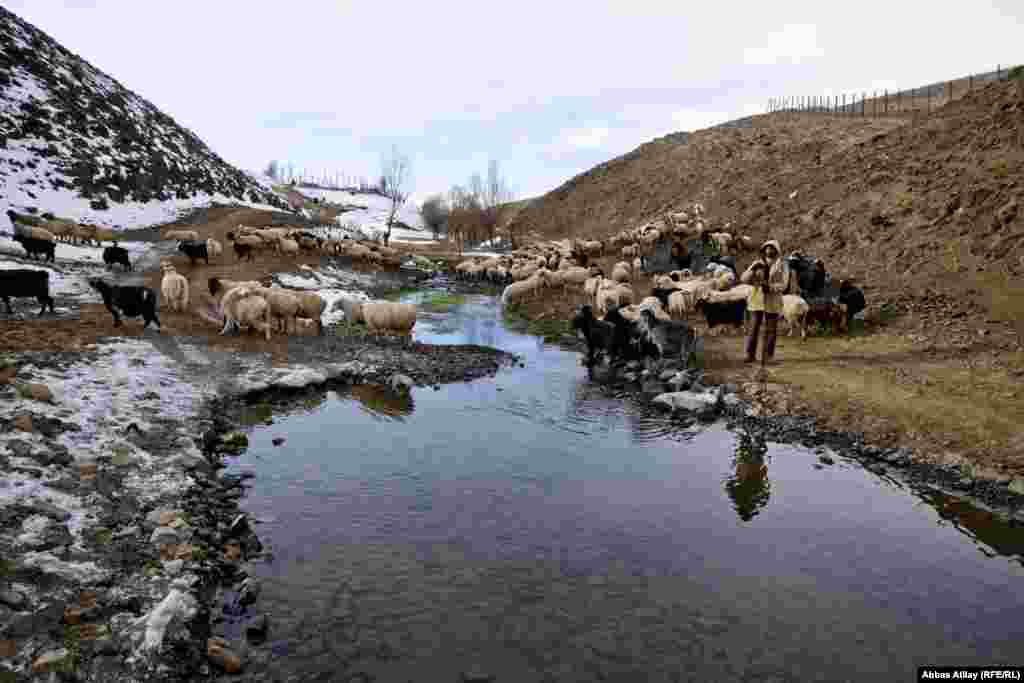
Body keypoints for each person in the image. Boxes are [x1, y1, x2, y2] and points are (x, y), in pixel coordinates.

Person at [740, 239, 792, 364]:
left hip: (773, 300)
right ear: (764, 250)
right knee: (753, 328)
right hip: (756, 299)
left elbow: (784, 285)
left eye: (772, 248)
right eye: (767, 248)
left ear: (776, 250)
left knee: (771, 329)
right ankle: (750, 355)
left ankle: (768, 356)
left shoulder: (783, 265)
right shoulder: (757, 262)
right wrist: (752, 270)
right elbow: (743, 279)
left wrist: (771, 287)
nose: (769, 250)